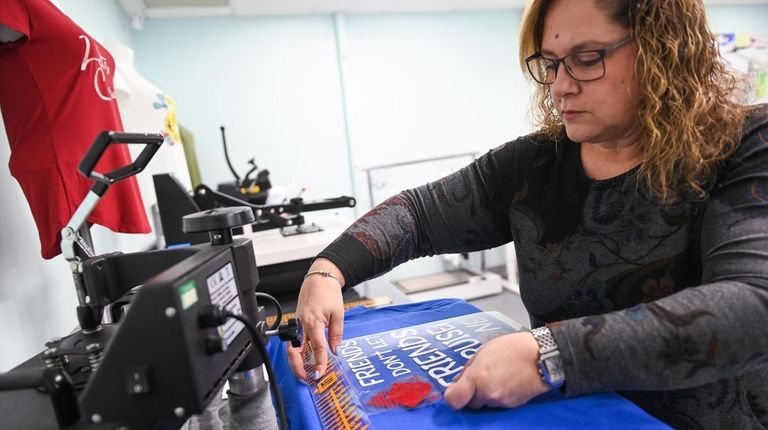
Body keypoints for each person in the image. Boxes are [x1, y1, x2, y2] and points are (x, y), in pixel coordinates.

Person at [287, 0, 768, 427]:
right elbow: (418, 216)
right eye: (552, 64)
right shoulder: (534, 164)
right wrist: (328, 272)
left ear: (664, 50)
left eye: (585, 60)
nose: (560, 87)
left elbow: (752, 305)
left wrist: (553, 354)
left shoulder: (745, 146)